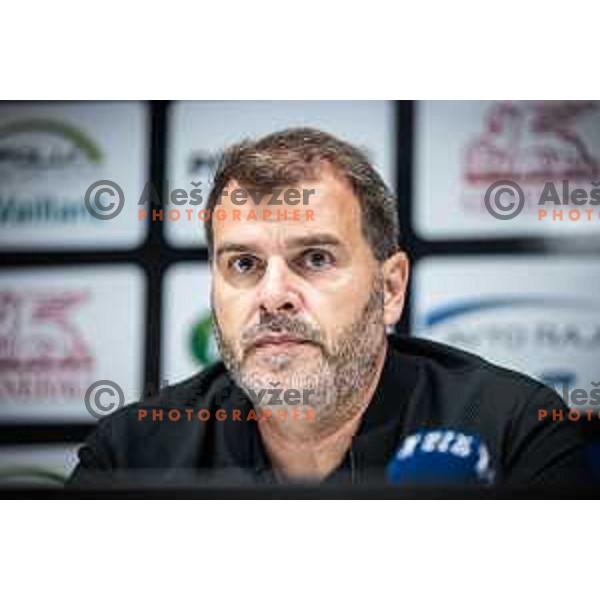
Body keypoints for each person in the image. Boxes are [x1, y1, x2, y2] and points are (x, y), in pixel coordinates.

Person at [68, 127, 590, 487]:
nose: (273, 295)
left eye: (314, 258)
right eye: (244, 264)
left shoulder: (512, 431)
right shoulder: (132, 455)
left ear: (390, 289)